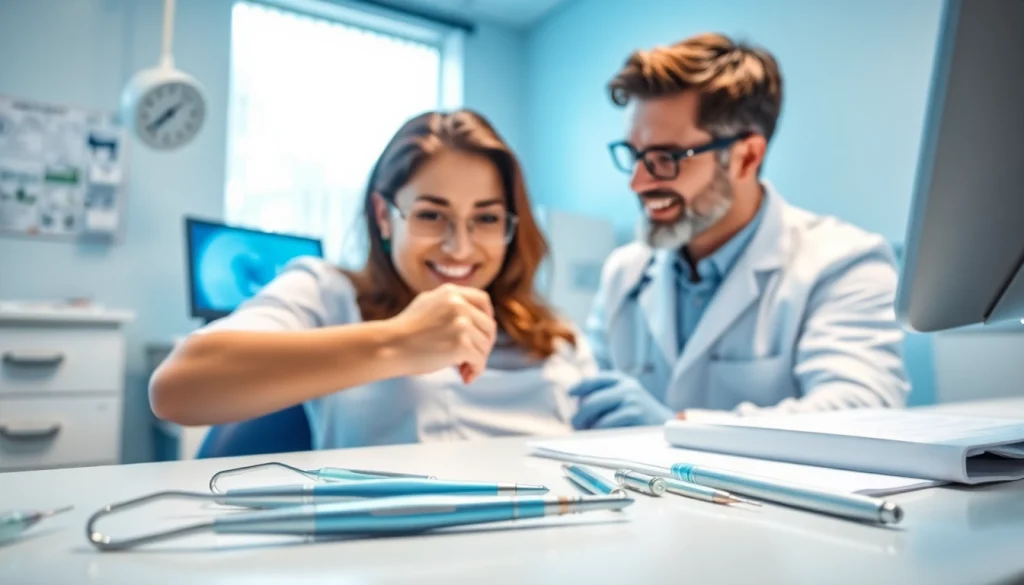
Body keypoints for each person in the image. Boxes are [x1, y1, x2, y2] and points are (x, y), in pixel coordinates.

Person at [150, 110, 595, 448]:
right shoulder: (329, 293)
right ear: (384, 217)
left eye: (486, 218)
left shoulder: (554, 336)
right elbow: (178, 387)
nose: (459, 248)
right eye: (431, 215)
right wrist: (399, 342)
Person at [570, 32, 909, 429]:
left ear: (746, 157)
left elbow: (866, 409)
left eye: (666, 158)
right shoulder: (623, 273)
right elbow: (585, 395)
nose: (638, 183)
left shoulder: (843, 261)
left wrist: (680, 426)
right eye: (635, 155)